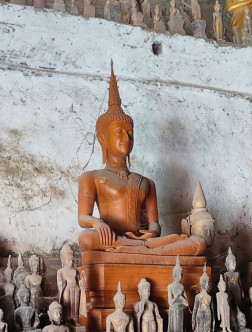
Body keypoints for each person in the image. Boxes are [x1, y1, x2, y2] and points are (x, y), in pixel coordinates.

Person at [77, 64, 205, 256]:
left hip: (143, 241)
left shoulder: (146, 183)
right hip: (111, 238)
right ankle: (145, 251)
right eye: (119, 132)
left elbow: (155, 224)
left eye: (130, 133)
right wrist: (97, 223)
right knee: (86, 238)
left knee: (198, 243)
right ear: (103, 138)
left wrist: (152, 232)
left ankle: (138, 249)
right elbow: (83, 218)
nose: (126, 138)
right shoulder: (91, 178)